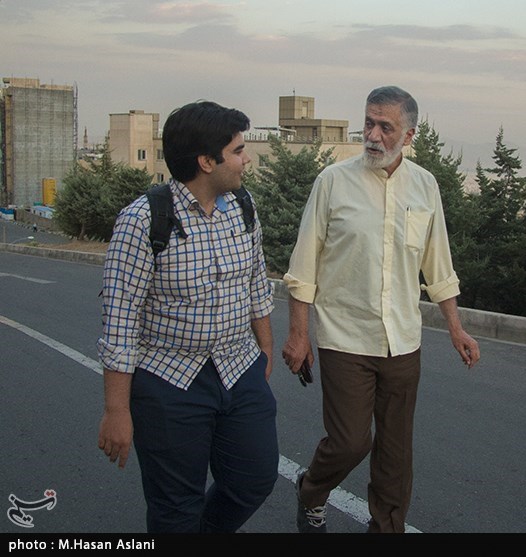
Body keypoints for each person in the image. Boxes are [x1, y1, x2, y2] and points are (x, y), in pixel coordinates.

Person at [282, 85, 480, 533]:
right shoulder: (332, 181)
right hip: (345, 337)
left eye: (385, 127)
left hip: (403, 341)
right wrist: (298, 333)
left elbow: (438, 265)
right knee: (351, 442)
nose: (372, 135)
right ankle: (311, 489)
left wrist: (456, 328)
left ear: (408, 136)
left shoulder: (425, 186)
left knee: (395, 452)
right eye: (368, 123)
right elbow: (304, 265)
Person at [96, 101, 278, 533]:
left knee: (253, 479)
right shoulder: (143, 220)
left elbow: (256, 281)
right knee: (176, 508)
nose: (246, 160)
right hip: (168, 381)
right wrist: (116, 410)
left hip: (238, 369)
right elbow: (119, 321)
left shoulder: (243, 206)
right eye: (237, 151)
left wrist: (265, 350)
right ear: (206, 161)